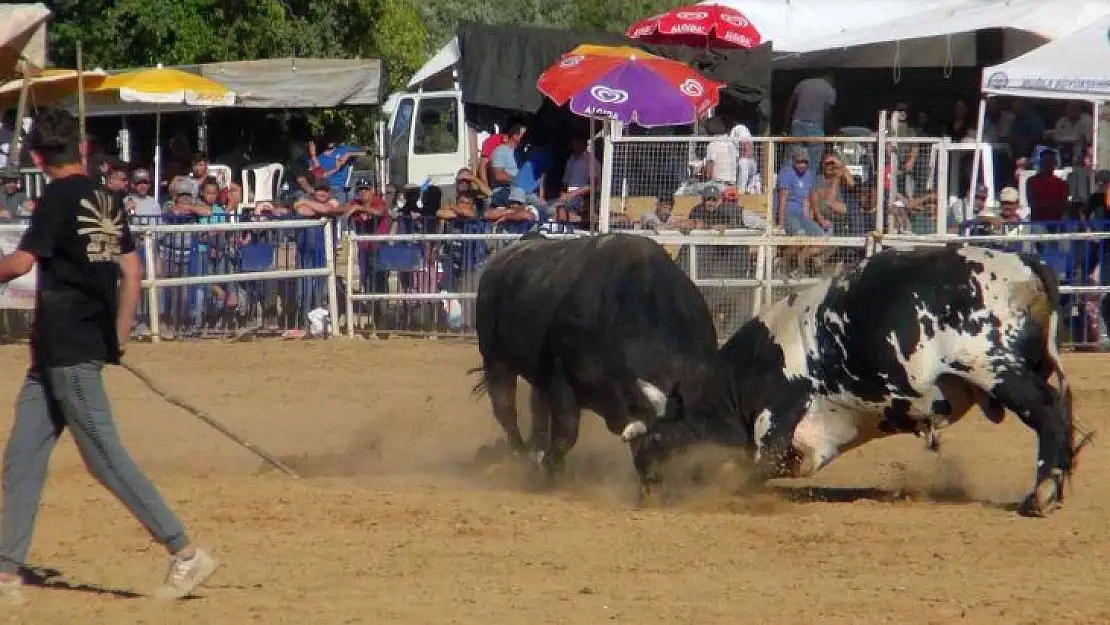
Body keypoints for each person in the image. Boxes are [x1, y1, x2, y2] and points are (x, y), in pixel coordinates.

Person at [0, 107, 219, 604]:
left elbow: (19, 264)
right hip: (56, 356)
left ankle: (184, 552)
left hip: (70, 352)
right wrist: (117, 336)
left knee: (106, 460)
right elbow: (132, 273)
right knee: (22, 458)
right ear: (79, 148)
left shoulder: (53, 199)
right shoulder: (108, 198)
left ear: (37, 155)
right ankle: (6, 572)